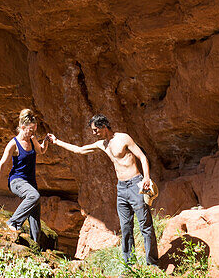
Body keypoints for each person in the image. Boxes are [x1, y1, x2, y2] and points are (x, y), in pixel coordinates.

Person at [49, 114, 159, 267]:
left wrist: (146, 177)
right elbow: (79, 150)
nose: (94, 133)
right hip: (121, 188)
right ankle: (130, 266)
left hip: (135, 184)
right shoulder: (102, 144)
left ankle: (152, 264)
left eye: (95, 130)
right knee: (126, 228)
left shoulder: (124, 138)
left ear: (103, 127)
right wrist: (57, 141)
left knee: (145, 225)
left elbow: (142, 157)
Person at [0, 108, 48, 244]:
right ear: (23, 127)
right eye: (31, 130)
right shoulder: (13, 144)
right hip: (16, 181)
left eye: (34, 131)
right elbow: (2, 164)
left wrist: (46, 141)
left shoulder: (32, 139)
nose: (33, 133)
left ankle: (36, 246)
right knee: (34, 196)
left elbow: (41, 151)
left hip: (31, 183)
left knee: (35, 220)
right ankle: (13, 222)